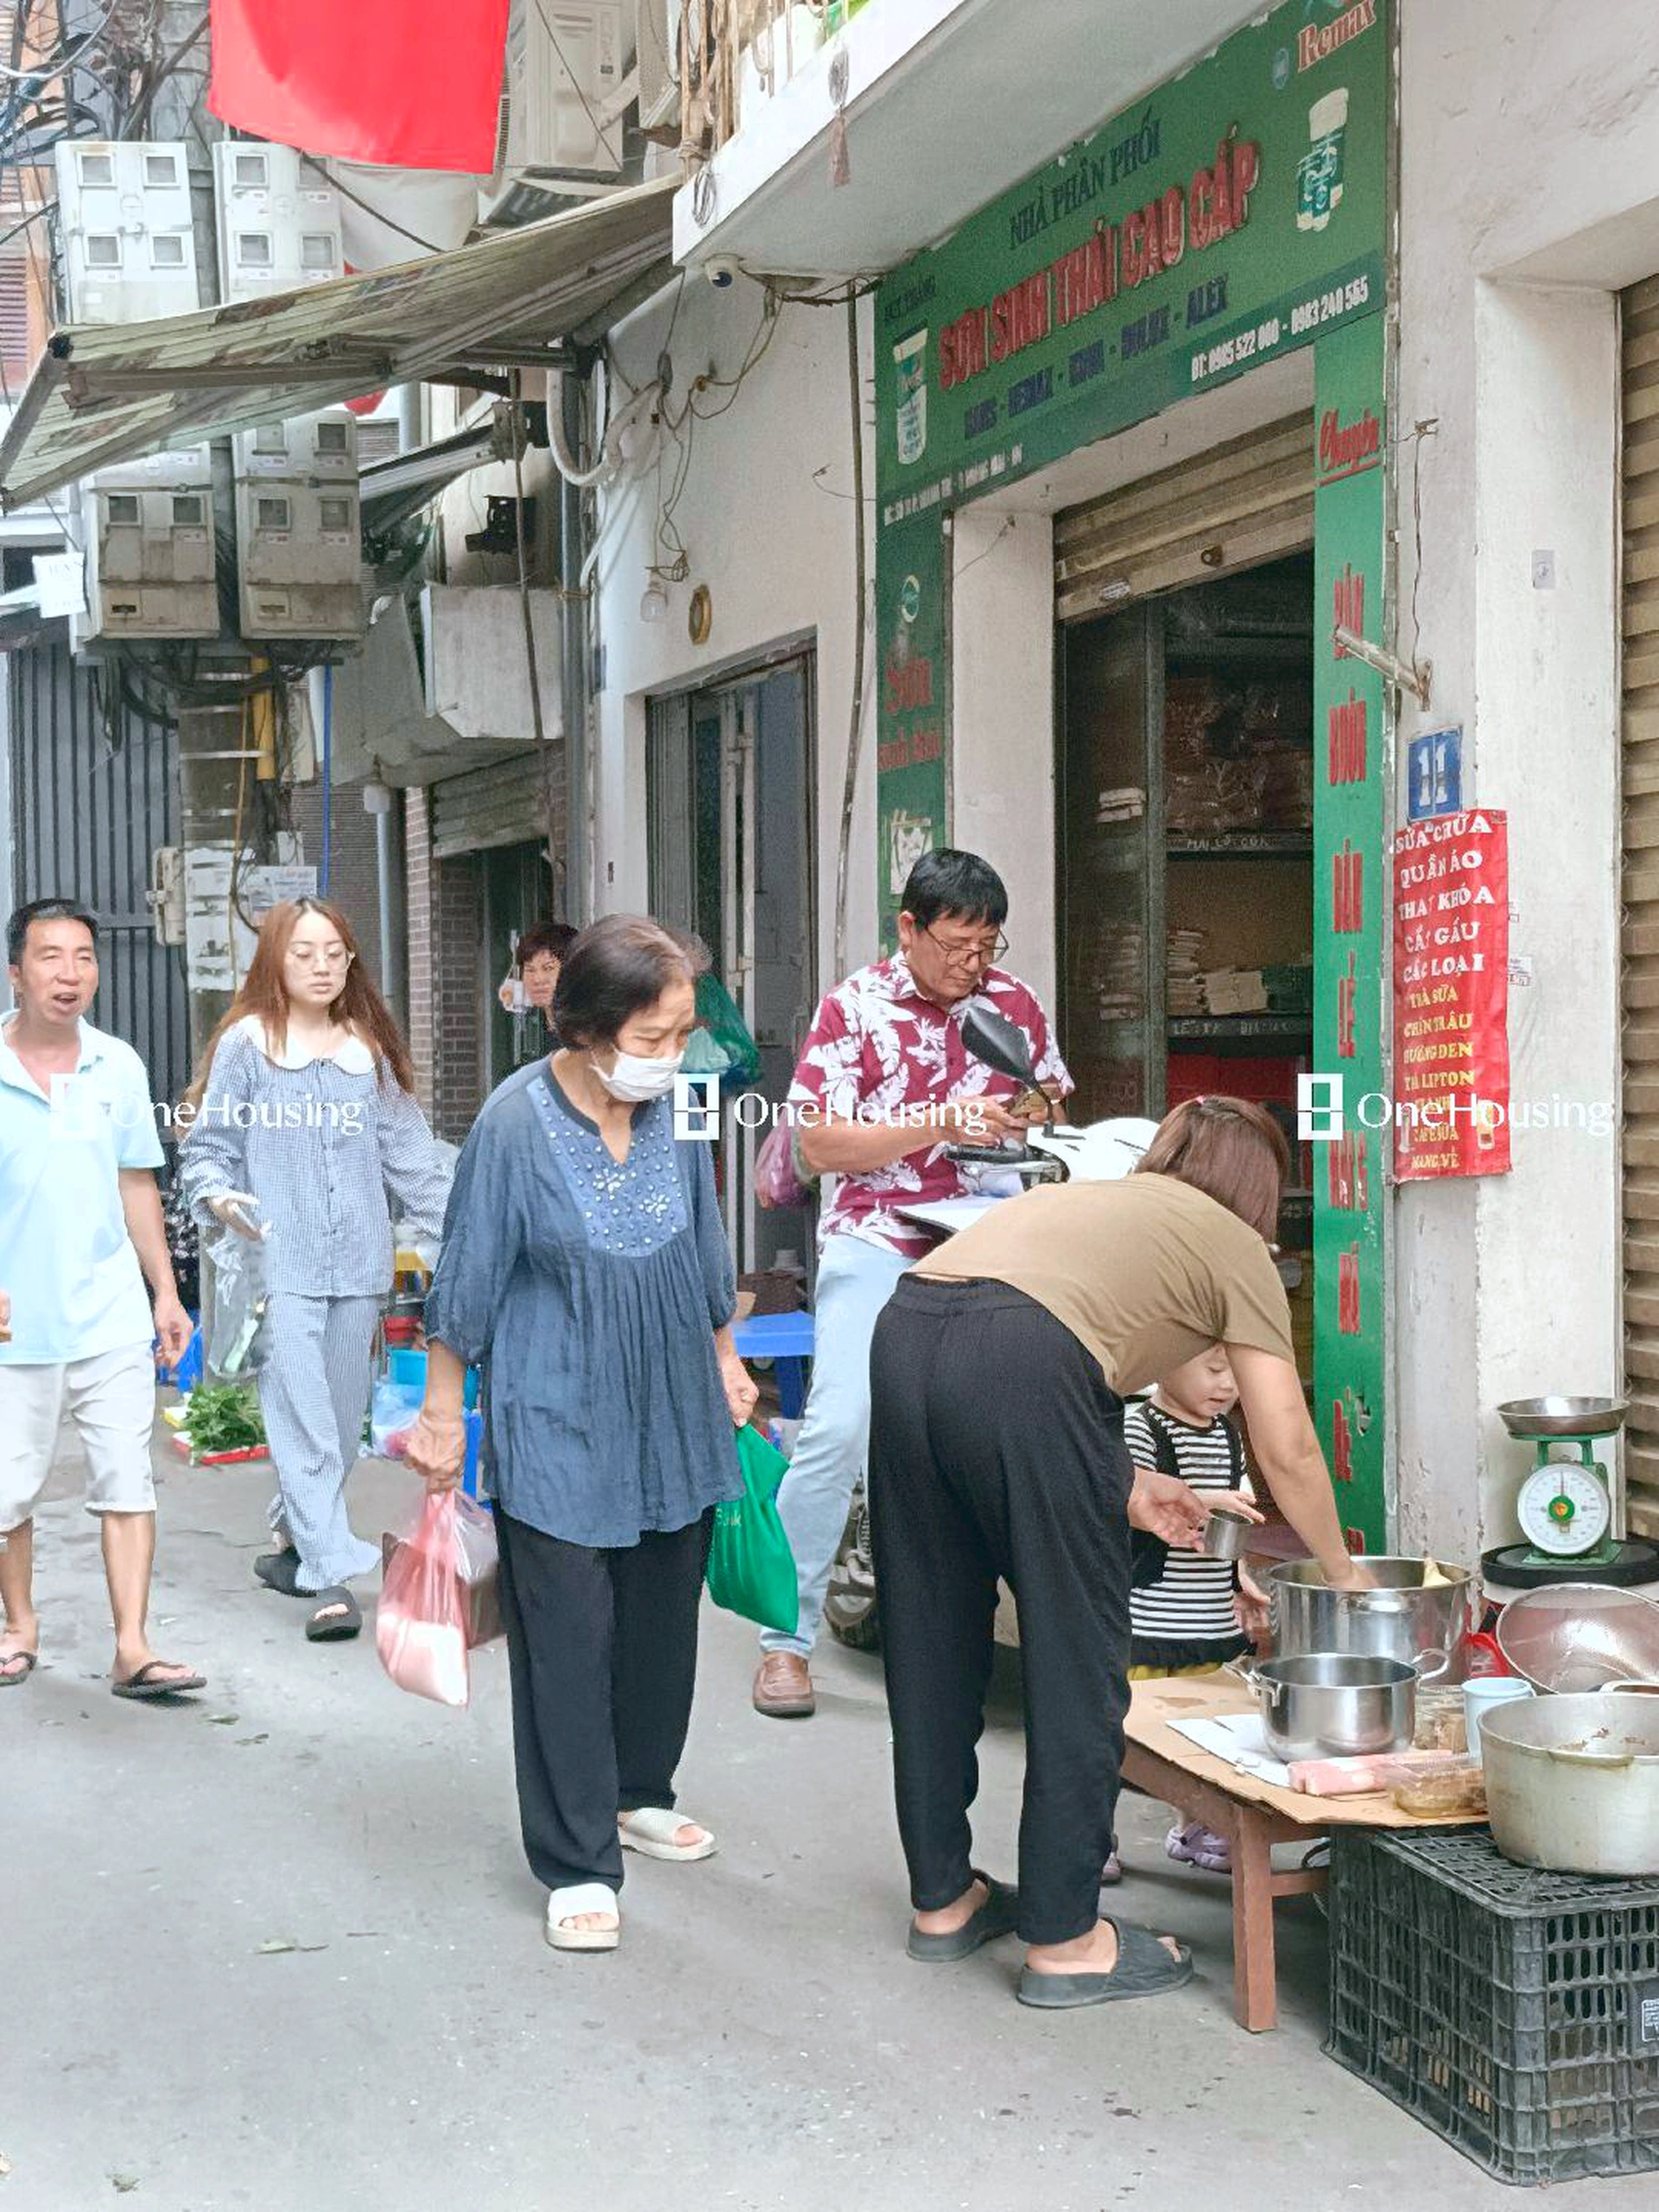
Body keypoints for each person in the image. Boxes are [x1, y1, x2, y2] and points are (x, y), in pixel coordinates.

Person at [866, 1095, 1365, 2011]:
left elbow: (1016, 1345)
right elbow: (1286, 1440)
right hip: (1025, 1355)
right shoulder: (1231, 1242)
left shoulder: (1095, 1202)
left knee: (931, 1627)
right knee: (1078, 1652)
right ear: (1261, 1191)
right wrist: (1340, 1574)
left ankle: (942, 1897)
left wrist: (1131, 1487)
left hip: (906, 1328)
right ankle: (1065, 1937)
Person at [405, 916, 758, 1955]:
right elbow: (467, 1270)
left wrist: (728, 1358)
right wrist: (441, 1413)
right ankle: (573, 1856)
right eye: (656, 1035)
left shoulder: (682, 1105)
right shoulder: (514, 1123)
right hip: (555, 1398)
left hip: (672, 1399)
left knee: (661, 1613)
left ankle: (637, 1790)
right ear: (590, 1028)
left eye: (685, 1032)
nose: (677, 1055)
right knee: (566, 1632)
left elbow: (703, 1235)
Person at [751, 848, 1070, 1720]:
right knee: (841, 1425)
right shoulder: (851, 1009)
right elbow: (819, 1147)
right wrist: (934, 1123)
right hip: (877, 1235)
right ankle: (785, 1638)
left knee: (1034, 1424)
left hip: (994, 1234)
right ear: (908, 926)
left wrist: (1018, 1115)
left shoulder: (1013, 1003)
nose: (972, 964)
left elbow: (1052, 1098)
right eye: (956, 944)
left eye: (987, 946)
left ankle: (1048, 1649)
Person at [178, 897, 451, 1644]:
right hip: (280, 1268)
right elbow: (206, 1151)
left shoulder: (367, 1051)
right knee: (304, 1420)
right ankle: (332, 1576)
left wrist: (457, 1234)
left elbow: (412, 1161)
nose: (322, 965)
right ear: (274, 959)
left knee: (334, 1418)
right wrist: (223, 1197)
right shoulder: (246, 1046)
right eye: (304, 952)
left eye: (334, 951)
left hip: (361, 1266)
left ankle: (292, 1536)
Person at [0, 898, 202, 1700]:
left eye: (84, 956)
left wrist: (165, 1292)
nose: (70, 973)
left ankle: (132, 1645)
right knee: (7, 1489)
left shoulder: (116, 1064)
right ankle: (18, 1626)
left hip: (110, 1311)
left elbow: (135, 1182)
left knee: (127, 1478)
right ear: (16, 971)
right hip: (15, 1324)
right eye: (50, 956)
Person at [1124, 1347, 1256, 1879]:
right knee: (1124, 1736)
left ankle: (1195, 1826)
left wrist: (1241, 1578)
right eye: (1213, 1367)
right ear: (1161, 1356)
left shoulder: (1227, 1434)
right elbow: (1126, 1503)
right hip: (1149, 1619)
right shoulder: (1140, 1428)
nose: (1226, 1384)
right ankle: (1094, 1834)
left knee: (1204, 1734)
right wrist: (1204, 1496)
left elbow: (1238, 1516)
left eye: (1236, 1373)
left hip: (1210, 1619)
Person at [497, 921, 577, 1024]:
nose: (537, 979)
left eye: (548, 968)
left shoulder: (588, 1026)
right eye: (530, 970)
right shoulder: (544, 1027)